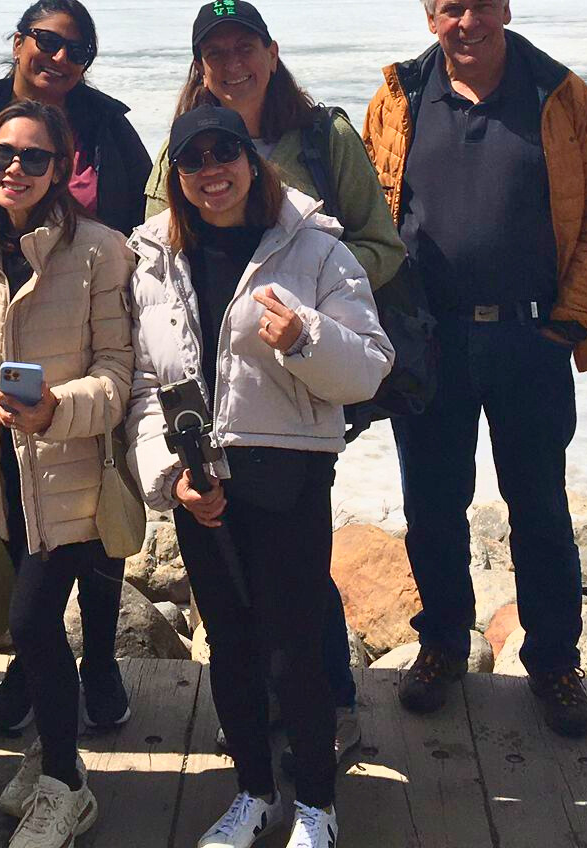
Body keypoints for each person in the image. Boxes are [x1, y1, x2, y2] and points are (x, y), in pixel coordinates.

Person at [363, 0, 587, 730]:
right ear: (430, 18)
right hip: (431, 343)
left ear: (506, 9)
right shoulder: (401, 97)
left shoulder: (560, 96)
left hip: (529, 341)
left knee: (540, 508)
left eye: (481, 6)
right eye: (452, 9)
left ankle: (553, 661)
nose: (467, 22)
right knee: (433, 506)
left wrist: (568, 323)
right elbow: (368, 213)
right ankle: (443, 643)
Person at [145, 0, 406, 766]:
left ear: (271, 49)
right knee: (230, 551)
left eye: (244, 47)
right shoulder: (181, 144)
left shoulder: (322, 136)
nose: (231, 65)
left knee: (295, 552)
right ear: (200, 64)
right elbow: (161, 252)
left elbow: (376, 243)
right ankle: (260, 701)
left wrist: (316, 293)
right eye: (214, 52)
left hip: (303, 371)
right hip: (212, 390)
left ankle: (328, 699)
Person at [128, 105, 393, 848]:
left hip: (288, 472)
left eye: (225, 154)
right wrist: (165, 478)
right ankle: (253, 792)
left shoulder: (314, 248)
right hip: (199, 478)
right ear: (175, 176)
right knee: (230, 647)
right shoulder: (152, 256)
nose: (211, 171)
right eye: (193, 160)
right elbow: (145, 389)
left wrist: (307, 336)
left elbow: (371, 366)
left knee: (294, 646)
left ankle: (316, 803)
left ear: (251, 161)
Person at [0, 0, 153, 735]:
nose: (59, 59)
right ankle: (34, 664)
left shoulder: (110, 132)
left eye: (76, 50)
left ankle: (100, 663)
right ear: (18, 41)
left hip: (89, 333)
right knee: (27, 533)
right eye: (47, 42)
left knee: (95, 517)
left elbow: (147, 224)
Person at [0, 99, 134, 848]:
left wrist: (56, 408)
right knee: (34, 626)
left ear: (63, 167)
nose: (14, 169)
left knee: (28, 621)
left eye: (33, 158)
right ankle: (48, 752)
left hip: (73, 475)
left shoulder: (100, 252)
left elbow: (119, 376)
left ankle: (67, 785)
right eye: (0, 155)